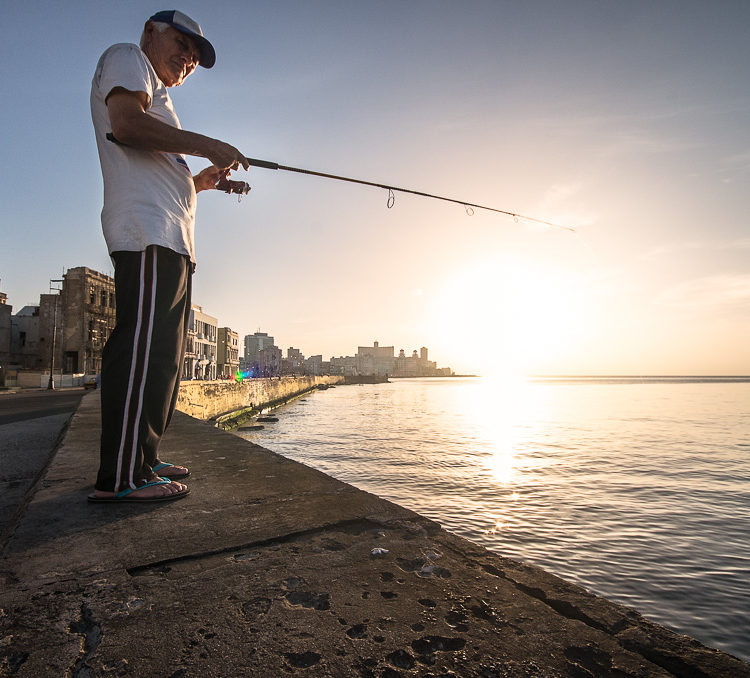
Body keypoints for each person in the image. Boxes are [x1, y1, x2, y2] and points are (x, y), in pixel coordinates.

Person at [88, 10, 249, 503]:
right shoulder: (127, 57)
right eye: (182, 45)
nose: (187, 60)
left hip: (173, 240)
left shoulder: (162, 99)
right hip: (148, 233)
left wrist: (200, 183)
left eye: (195, 59)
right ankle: (121, 478)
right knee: (141, 350)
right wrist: (207, 145)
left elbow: (158, 164)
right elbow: (127, 126)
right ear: (151, 33)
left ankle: (144, 457)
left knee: (164, 358)